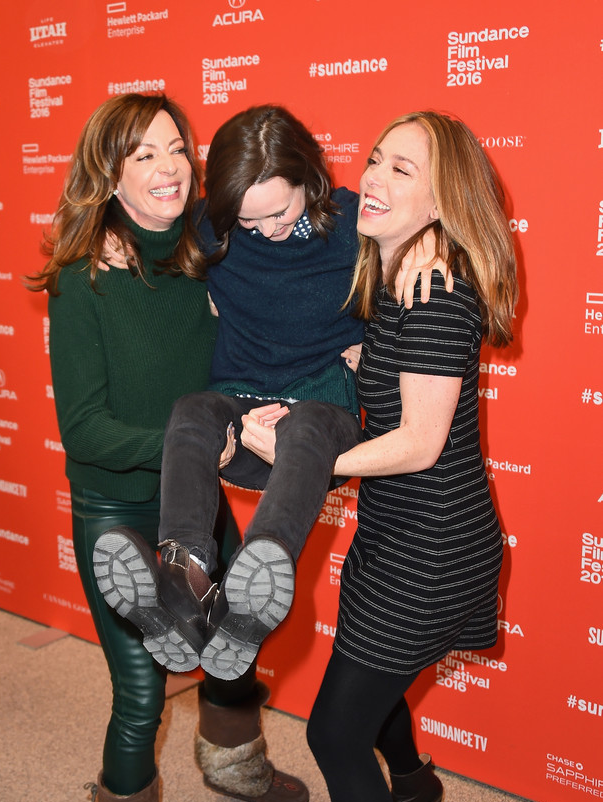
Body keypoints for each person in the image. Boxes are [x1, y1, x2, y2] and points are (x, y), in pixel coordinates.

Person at [26, 93, 310, 802]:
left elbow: (299, 248)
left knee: (234, 640)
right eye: (142, 154)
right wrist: (200, 442)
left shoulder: (207, 249)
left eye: (176, 147)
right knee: (144, 691)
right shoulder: (83, 276)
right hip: (118, 507)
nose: (169, 166)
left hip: (197, 492)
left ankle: (234, 764)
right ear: (109, 174)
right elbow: (87, 431)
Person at [242, 110, 517, 802]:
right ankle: (411, 782)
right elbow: (377, 380)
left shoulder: (435, 287)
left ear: (444, 199)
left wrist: (302, 457)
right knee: (371, 680)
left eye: (407, 170)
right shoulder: (397, 268)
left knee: (331, 729)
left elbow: (419, 442)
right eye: (376, 161)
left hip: (431, 542)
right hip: (400, 530)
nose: (379, 180)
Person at [93, 105, 450, 687]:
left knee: (307, 425)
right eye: (249, 222)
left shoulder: (353, 225)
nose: (266, 230)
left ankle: (252, 588)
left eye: (279, 212)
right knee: (190, 412)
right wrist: (107, 229)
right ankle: (185, 578)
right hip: (240, 402)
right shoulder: (213, 224)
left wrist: (429, 244)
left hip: (320, 414)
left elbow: (430, 221)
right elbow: (147, 216)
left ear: (309, 179)